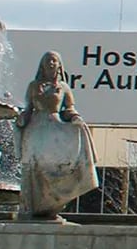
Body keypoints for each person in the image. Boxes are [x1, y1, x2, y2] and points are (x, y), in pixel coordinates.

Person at [15, 52, 98, 220]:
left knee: (54, 166)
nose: (51, 63)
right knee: (34, 166)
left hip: (55, 129)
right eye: (48, 60)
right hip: (36, 129)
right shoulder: (33, 86)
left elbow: (69, 109)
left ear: (59, 65)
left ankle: (51, 204)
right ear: (42, 65)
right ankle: (32, 206)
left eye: (54, 60)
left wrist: (76, 118)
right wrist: (22, 118)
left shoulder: (64, 88)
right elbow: (28, 108)